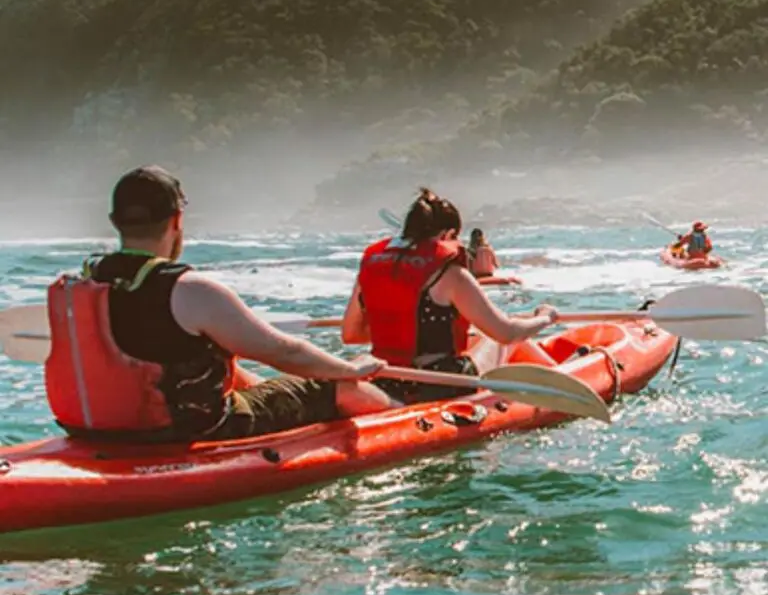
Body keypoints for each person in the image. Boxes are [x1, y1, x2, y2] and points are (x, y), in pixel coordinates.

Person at [45, 165, 400, 443]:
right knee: (334, 386)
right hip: (193, 430)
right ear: (177, 220)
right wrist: (350, 370)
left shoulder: (85, 282)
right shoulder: (190, 290)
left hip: (98, 430)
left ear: (114, 222)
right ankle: (407, 419)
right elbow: (284, 353)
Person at [341, 188, 561, 403]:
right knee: (493, 340)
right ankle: (560, 374)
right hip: (442, 382)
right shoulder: (452, 274)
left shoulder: (372, 268)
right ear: (447, 235)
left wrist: (401, 327)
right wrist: (545, 317)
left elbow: (350, 335)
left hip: (387, 381)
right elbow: (506, 333)